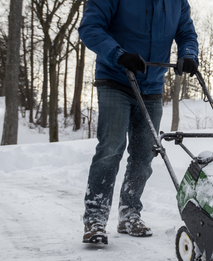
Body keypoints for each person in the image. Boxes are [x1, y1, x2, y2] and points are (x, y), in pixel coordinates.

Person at [78, 0, 199, 244]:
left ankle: (129, 213)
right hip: (115, 78)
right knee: (110, 149)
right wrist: (118, 54)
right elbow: (90, 27)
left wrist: (188, 54)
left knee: (145, 154)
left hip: (152, 84)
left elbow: (186, 33)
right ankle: (95, 218)